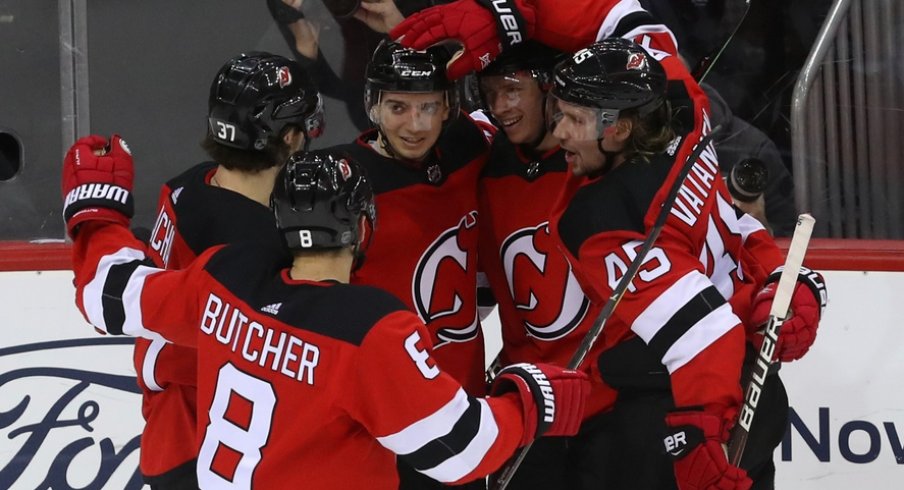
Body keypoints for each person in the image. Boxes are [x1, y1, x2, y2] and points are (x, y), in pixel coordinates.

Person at [61, 140, 590, 489]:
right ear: (363, 229)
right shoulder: (368, 329)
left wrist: (96, 213)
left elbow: (108, 293)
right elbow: (458, 450)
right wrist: (530, 402)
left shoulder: (224, 277)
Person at [542, 38, 825, 489]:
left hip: (677, 411)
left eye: (575, 120)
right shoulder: (690, 116)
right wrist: (783, 281)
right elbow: (738, 224)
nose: (559, 134)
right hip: (757, 395)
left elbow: (701, 332)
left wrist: (697, 438)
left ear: (619, 127)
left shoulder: (600, 216)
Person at [136, 52, 324, 489]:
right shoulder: (254, 243)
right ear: (291, 137)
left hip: (174, 425)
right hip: (222, 439)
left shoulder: (190, 184)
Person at [328, 39, 494, 489]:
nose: (415, 125)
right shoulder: (337, 183)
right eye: (399, 107)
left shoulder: (469, 147)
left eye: (428, 108)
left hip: (459, 403)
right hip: (376, 415)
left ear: (448, 108)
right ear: (372, 106)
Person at [474, 41, 617, 489]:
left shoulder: (595, 158)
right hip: (532, 400)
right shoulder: (482, 160)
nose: (500, 106)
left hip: (609, 403)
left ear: (550, 88)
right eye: (490, 91)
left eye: (513, 90)